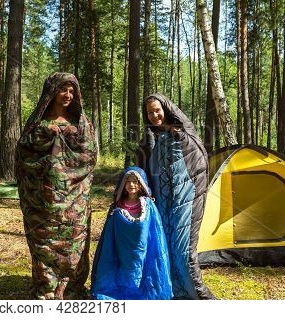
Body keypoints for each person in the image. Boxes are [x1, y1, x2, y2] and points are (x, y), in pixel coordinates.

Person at [15, 72, 97, 300]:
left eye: (72, 91)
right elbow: (23, 157)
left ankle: (72, 289)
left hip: (75, 200)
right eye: (63, 90)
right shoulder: (36, 124)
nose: (68, 95)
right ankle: (47, 289)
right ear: (51, 92)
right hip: (42, 201)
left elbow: (90, 156)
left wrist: (68, 170)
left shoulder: (81, 123)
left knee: (75, 243)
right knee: (44, 244)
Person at [136, 93, 214, 300]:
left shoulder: (182, 133)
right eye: (150, 112)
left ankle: (198, 296)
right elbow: (142, 169)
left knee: (183, 251)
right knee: (164, 246)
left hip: (185, 200)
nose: (154, 115)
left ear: (166, 109)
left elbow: (198, 164)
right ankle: (173, 292)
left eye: (157, 110)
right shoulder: (149, 137)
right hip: (162, 201)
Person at [91, 166, 172, 300]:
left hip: (143, 249)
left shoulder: (147, 205)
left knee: (142, 269)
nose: (131, 185)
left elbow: (154, 229)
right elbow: (111, 234)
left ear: (141, 184)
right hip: (122, 250)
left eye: (135, 181)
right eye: (128, 181)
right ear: (123, 184)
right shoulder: (118, 206)